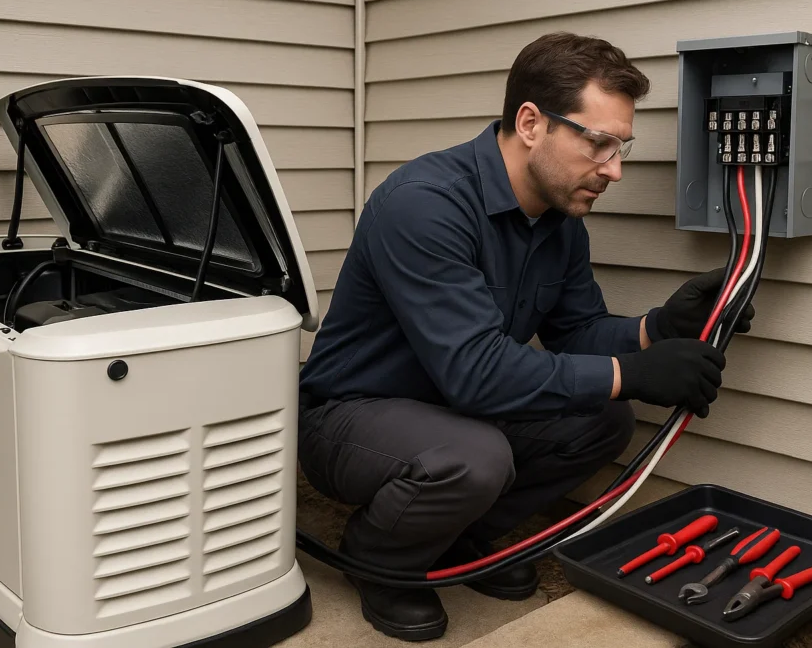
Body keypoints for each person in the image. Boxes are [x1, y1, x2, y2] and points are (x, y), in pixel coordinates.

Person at [297, 31, 753, 641]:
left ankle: (461, 540)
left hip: (453, 411)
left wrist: (657, 330)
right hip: (353, 417)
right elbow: (478, 372)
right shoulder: (425, 204)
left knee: (604, 419)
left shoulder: (559, 222)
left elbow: (579, 333)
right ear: (532, 122)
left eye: (622, 147)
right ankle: (381, 558)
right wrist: (632, 375)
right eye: (599, 142)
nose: (613, 169)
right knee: (474, 457)